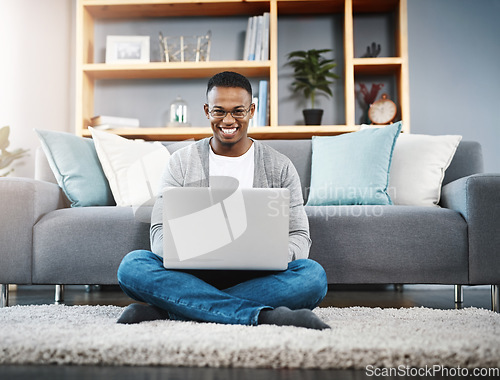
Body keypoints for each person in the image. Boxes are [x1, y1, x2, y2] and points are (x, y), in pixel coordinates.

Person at [116, 71, 329, 330]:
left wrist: (273, 254)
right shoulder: (181, 163)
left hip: (260, 276)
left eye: (238, 111)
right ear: (207, 111)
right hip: (190, 274)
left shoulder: (280, 166)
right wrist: (193, 251)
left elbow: (299, 235)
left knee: (312, 277)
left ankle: (172, 308)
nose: (228, 120)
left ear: (251, 110)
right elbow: (159, 233)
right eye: (219, 111)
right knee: (133, 265)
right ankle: (265, 316)